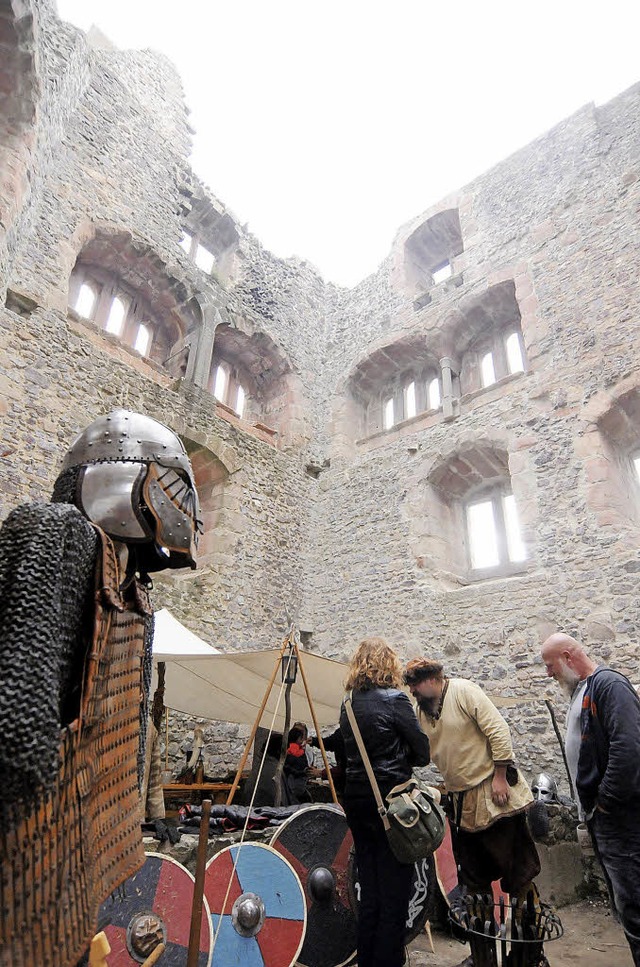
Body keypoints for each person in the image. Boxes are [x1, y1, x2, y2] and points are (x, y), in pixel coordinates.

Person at [0, 409, 202, 967]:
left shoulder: (127, 589)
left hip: (73, 863)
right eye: (170, 487)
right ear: (123, 482)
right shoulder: (55, 538)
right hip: (27, 863)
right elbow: (14, 731)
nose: (184, 510)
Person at [404, 658, 545, 967]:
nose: (412, 689)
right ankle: (483, 959)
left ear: (436, 678)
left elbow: (498, 730)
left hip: (496, 796)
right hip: (462, 803)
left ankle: (528, 957)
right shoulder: (421, 713)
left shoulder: (464, 692)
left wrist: (499, 775)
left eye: (417, 682)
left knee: (518, 877)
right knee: (474, 883)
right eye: (410, 683)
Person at [541, 632, 640, 966]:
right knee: (626, 906)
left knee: (635, 906)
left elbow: (628, 749)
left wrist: (605, 802)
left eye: (550, 664)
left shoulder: (609, 686)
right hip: (605, 820)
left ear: (569, 656)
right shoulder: (581, 690)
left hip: (621, 820)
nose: (547, 673)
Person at [339, 637, 430, 967]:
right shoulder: (396, 700)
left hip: (358, 805)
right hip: (391, 806)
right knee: (394, 894)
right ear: (388, 663)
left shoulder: (347, 704)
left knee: (371, 892)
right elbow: (422, 752)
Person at [283, 723, 320, 803]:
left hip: (302, 783)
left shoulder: (307, 751)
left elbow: (309, 767)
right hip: (290, 783)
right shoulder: (289, 749)